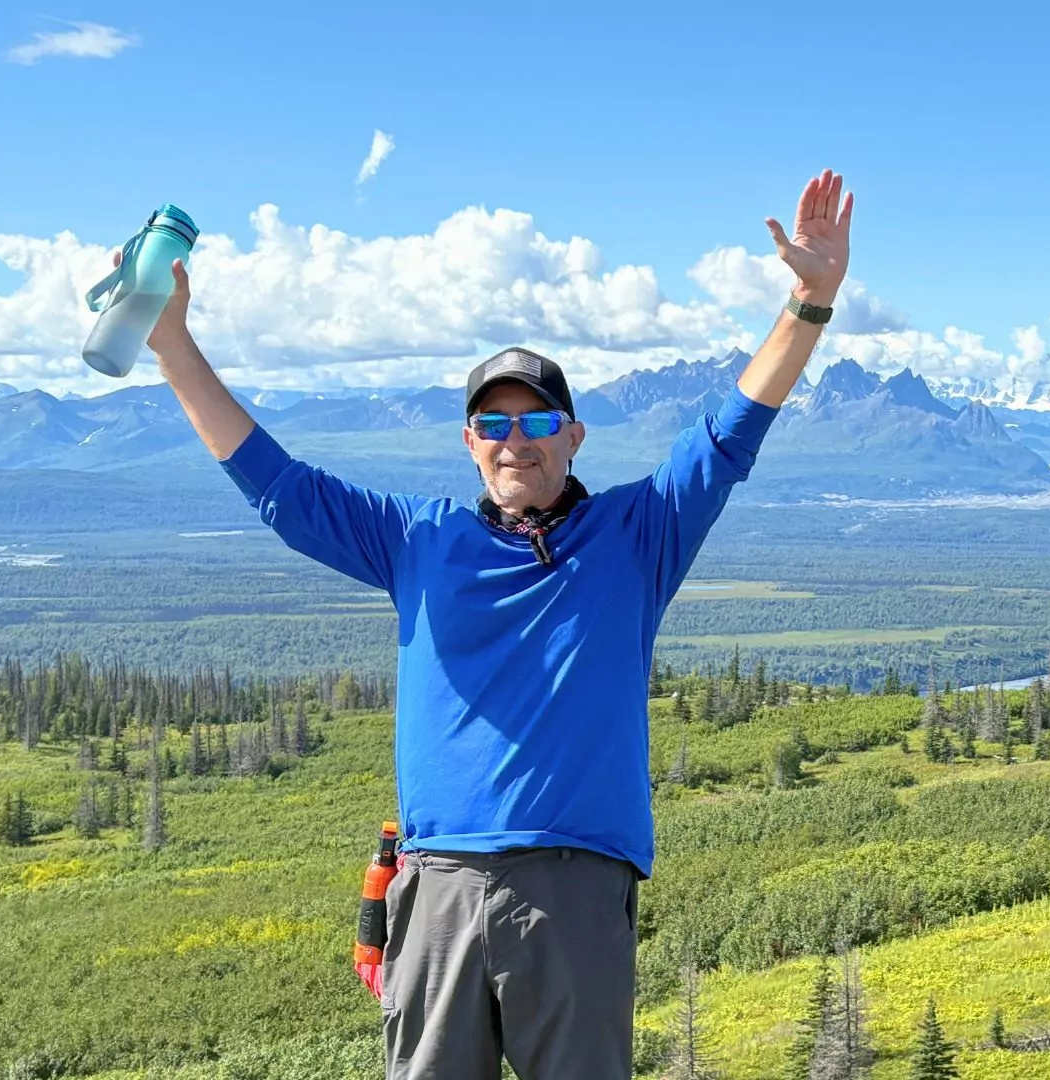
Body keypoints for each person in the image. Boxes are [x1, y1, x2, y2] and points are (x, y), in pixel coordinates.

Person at [133, 170, 855, 1079]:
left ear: (575, 436)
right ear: (470, 443)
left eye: (539, 417)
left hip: (577, 886)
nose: (517, 437)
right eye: (494, 422)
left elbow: (731, 431)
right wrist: (170, 342)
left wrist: (809, 302)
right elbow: (278, 486)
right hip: (435, 888)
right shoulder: (415, 539)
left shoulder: (639, 534)